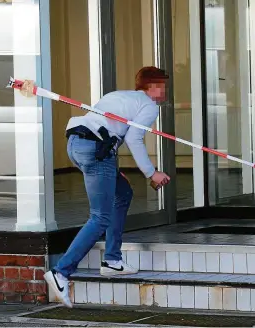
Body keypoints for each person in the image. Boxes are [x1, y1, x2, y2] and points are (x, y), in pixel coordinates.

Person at [44, 66, 171, 308]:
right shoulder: (149, 105)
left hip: (76, 145)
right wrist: (151, 173)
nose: (164, 90)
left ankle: (112, 261)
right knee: (100, 217)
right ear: (152, 86)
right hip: (96, 151)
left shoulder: (115, 96)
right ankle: (61, 272)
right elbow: (134, 138)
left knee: (122, 193)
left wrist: (111, 167)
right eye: (162, 85)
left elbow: (107, 128)